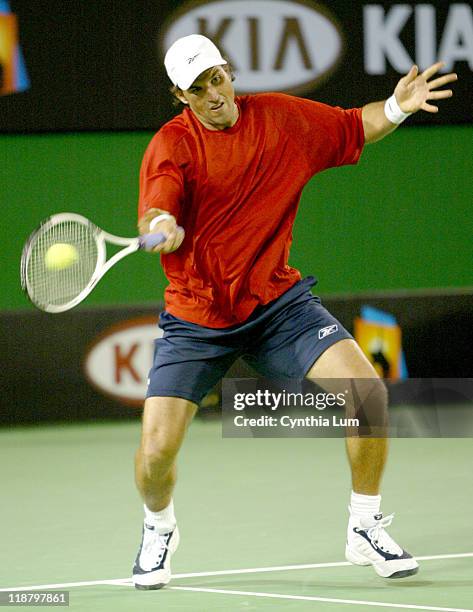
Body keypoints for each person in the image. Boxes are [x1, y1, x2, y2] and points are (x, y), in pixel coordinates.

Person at [132, 34, 457, 590]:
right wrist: (160, 225)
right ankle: (158, 526)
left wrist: (400, 104)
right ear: (180, 96)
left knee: (367, 392)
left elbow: (357, 126)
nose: (213, 93)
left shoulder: (281, 119)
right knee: (156, 452)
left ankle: (364, 523)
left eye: (217, 77)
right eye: (197, 88)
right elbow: (157, 205)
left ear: (229, 72)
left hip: (276, 304)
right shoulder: (171, 146)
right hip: (197, 318)